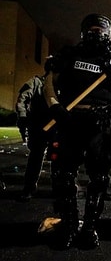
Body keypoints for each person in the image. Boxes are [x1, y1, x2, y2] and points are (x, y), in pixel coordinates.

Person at [43, 13, 111, 249]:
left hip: (101, 126)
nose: (97, 35)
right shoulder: (69, 55)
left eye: (101, 31)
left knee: (99, 179)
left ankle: (90, 227)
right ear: (84, 32)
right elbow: (49, 83)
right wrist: (55, 107)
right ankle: (70, 226)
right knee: (63, 177)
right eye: (93, 30)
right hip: (71, 121)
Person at [15, 58, 53, 202]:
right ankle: (29, 188)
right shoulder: (37, 83)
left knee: (56, 159)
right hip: (38, 126)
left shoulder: (58, 84)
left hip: (53, 126)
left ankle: (57, 188)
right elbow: (22, 100)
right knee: (36, 157)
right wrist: (24, 119)